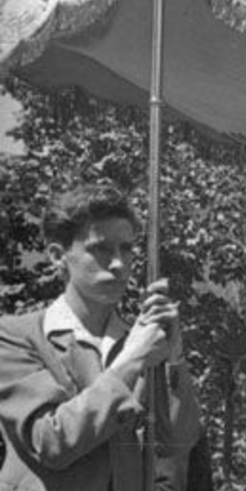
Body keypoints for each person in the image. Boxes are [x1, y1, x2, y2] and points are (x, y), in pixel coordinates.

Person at [0, 184, 202, 490]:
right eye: (101, 249)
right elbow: (51, 441)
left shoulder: (138, 339)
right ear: (58, 256)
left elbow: (178, 442)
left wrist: (174, 356)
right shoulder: (17, 336)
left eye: (127, 248)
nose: (119, 263)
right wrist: (132, 359)